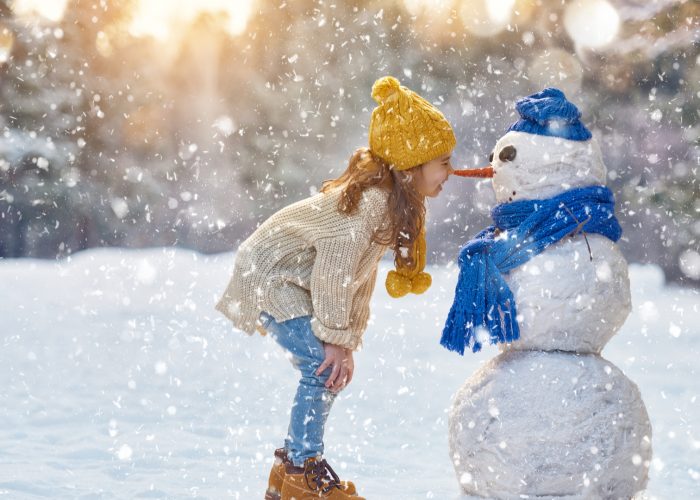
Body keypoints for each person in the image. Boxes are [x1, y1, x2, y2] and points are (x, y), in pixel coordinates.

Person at [215, 75, 456, 499]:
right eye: (443, 162)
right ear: (411, 165)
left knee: (328, 368)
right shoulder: (371, 204)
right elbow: (333, 273)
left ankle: (289, 470)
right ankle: (302, 469)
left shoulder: (392, 204)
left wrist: (346, 340)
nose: (450, 172)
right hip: (272, 274)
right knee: (320, 368)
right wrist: (334, 342)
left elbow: (358, 281)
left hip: (295, 280)